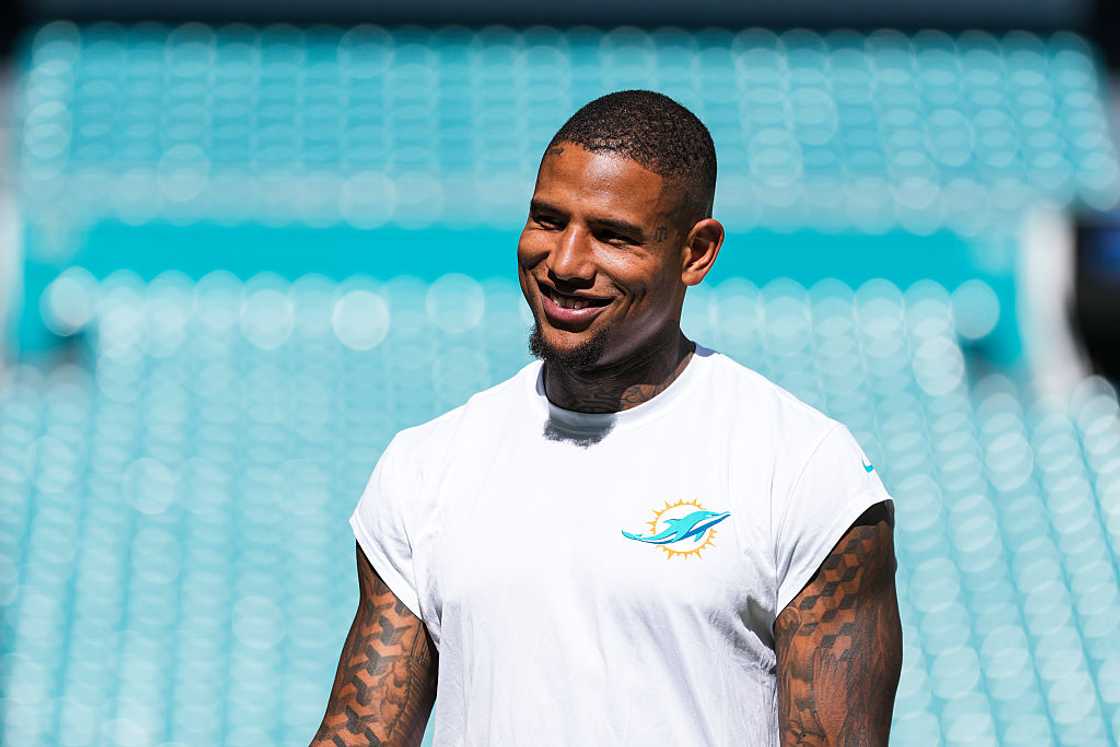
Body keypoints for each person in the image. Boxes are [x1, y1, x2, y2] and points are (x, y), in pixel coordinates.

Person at [310, 89, 902, 747]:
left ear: (696, 252)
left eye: (612, 235)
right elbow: (362, 729)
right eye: (547, 220)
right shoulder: (424, 467)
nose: (564, 263)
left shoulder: (803, 468)